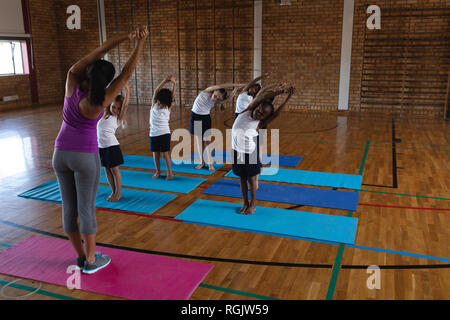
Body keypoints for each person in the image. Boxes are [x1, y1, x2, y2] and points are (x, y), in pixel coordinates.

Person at [52, 25, 149, 274]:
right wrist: (139, 43)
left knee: (69, 209)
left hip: (60, 153)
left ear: (89, 69)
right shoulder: (100, 101)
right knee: (86, 209)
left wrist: (125, 36)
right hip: (85, 156)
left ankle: (81, 257)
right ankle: (92, 260)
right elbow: (126, 76)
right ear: (105, 81)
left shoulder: (72, 80)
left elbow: (97, 52)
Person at [231, 83, 295, 215]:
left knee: (252, 179)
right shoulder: (247, 110)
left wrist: (288, 98)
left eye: (262, 114)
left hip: (250, 153)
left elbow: (276, 114)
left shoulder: (259, 123)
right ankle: (245, 202)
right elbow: (263, 94)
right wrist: (280, 91)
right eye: (259, 110)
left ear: (264, 118)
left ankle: (253, 204)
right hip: (237, 151)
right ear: (256, 106)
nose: (258, 113)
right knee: (242, 178)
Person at [190, 83, 244, 171]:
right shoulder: (207, 91)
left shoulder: (216, 100)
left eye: (218, 98)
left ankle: (210, 163)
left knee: (207, 141)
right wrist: (235, 84)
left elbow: (229, 98)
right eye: (216, 96)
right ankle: (202, 162)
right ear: (214, 91)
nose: (216, 99)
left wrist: (235, 90)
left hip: (205, 118)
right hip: (196, 116)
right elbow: (220, 86)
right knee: (199, 141)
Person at [97, 82, 130, 202]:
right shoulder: (103, 115)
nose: (115, 110)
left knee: (115, 170)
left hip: (112, 146)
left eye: (118, 108)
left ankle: (118, 193)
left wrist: (127, 89)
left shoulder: (117, 118)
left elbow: (125, 105)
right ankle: (113, 191)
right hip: (102, 147)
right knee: (107, 170)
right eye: (113, 107)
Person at [150, 75, 176, 180]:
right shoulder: (153, 104)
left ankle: (170, 172)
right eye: (159, 103)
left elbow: (172, 96)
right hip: (153, 134)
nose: (160, 105)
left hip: (164, 133)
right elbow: (156, 91)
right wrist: (164, 81)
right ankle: (158, 171)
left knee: (165, 154)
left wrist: (174, 84)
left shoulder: (168, 107)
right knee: (155, 154)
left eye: (162, 104)